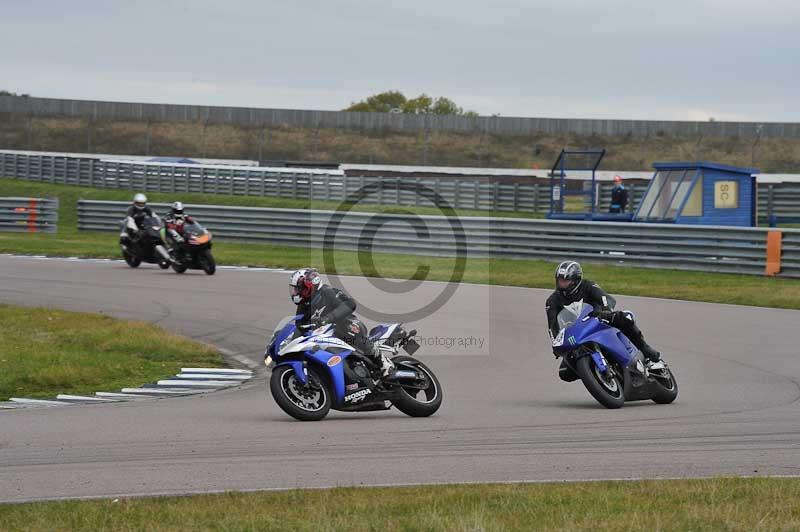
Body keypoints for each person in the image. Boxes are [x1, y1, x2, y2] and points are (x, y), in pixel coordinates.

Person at [545, 261, 661, 363]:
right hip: (577, 332)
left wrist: (605, 309)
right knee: (565, 373)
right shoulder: (552, 301)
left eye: (566, 280)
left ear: (576, 280)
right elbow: (552, 326)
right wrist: (556, 342)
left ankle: (644, 348)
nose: (562, 284)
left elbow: (604, 298)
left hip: (598, 319)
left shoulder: (587, 285)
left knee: (626, 318)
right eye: (560, 280)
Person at [289, 268, 395, 377]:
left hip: (347, 325)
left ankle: (382, 362)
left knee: (350, 329)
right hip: (326, 338)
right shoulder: (304, 306)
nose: (295, 292)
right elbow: (300, 327)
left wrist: (327, 318)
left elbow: (350, 304)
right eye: (294, 289)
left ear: (309, 286)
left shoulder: (327, 292)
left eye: (298, 288)